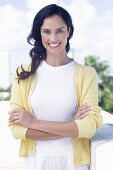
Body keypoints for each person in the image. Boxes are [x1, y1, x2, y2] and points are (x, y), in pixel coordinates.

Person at [8, 4, 103, 170]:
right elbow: (16, 130)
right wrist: (72, 126)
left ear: (68, 31)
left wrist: (33, 123)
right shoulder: (23, 74)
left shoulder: (86, 74)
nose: (53, 38)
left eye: (59, 30)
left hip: (74, 163)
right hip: (34, 162)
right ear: (40, 33)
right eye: (46, 31)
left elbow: (88, 128)